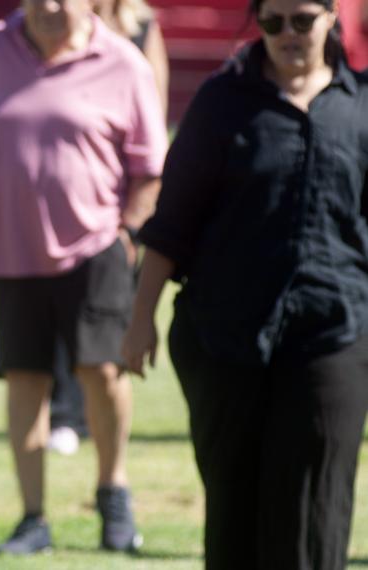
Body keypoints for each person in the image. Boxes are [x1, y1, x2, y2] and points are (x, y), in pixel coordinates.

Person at [122, 0, 368, 567]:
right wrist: (140, 321)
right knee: (234, 508)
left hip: (336, 335)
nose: (288, 34)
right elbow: (172, 221)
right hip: (223, 336)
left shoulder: (360, 108)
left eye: (302, 20)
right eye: (273, 21)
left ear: (332, 19)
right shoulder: (221, 103)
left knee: (313, 505)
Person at [0, 0, 168, 554]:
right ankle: (33, 518)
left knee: (102, 371)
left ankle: (113, 492)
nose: (52, 6)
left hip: (98, 245)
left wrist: (128, 235)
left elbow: (150, 167)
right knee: (25, 380)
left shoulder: (123, 60)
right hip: (11, 247)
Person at [47, 0, 171, 456]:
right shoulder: (58, 26)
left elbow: (154, 109)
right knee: (59, 302)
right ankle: (65, 412)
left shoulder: (142, 26)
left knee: (105, 311)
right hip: (72, 188)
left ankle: (93, 416)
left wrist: (135, 213)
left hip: (121, 196)